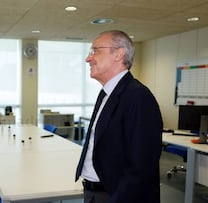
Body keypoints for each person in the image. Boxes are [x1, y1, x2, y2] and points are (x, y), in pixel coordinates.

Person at [75, 30, 163, 203]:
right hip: (94, 192)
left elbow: (141, 166)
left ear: (118, 54)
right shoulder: (106, 94)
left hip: (116, 196)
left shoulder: (138, 97)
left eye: (95, 51)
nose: (88, 58)